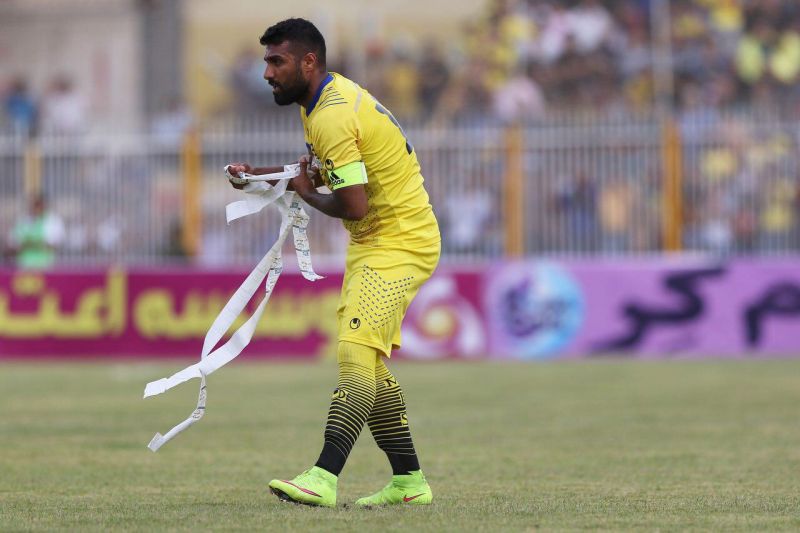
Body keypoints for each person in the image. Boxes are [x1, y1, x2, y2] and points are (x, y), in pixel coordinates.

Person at [225, 18, 440, 508]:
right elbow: (327, 173)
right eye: (266, 62)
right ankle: (409, 482)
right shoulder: (325, 100)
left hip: (399, 242)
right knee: (369, 361)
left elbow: (353, 205)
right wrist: (260, 176)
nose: (266, 73)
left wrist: (304, 193)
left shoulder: (330, 115)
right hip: (379, 242)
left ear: (308, 62)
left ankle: (323, 476)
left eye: (276, 62)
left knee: (353, 353)